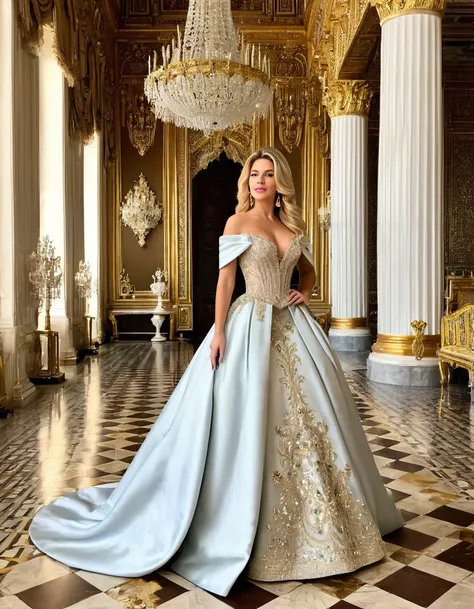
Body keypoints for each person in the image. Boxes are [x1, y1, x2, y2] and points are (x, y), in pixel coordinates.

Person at [30, 147, 403, 597]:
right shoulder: (237, 223)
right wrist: (220, 330)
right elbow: (226, 281)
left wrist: (302, 292)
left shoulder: (292, 228)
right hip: (248, 325)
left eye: (267, 175)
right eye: (254, 174)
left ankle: (324, 518)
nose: (259, 181)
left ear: (279, 182)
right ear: (246, 182)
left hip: (292, 326)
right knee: (245, 419)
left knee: (312, 420)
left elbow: (308, 272)